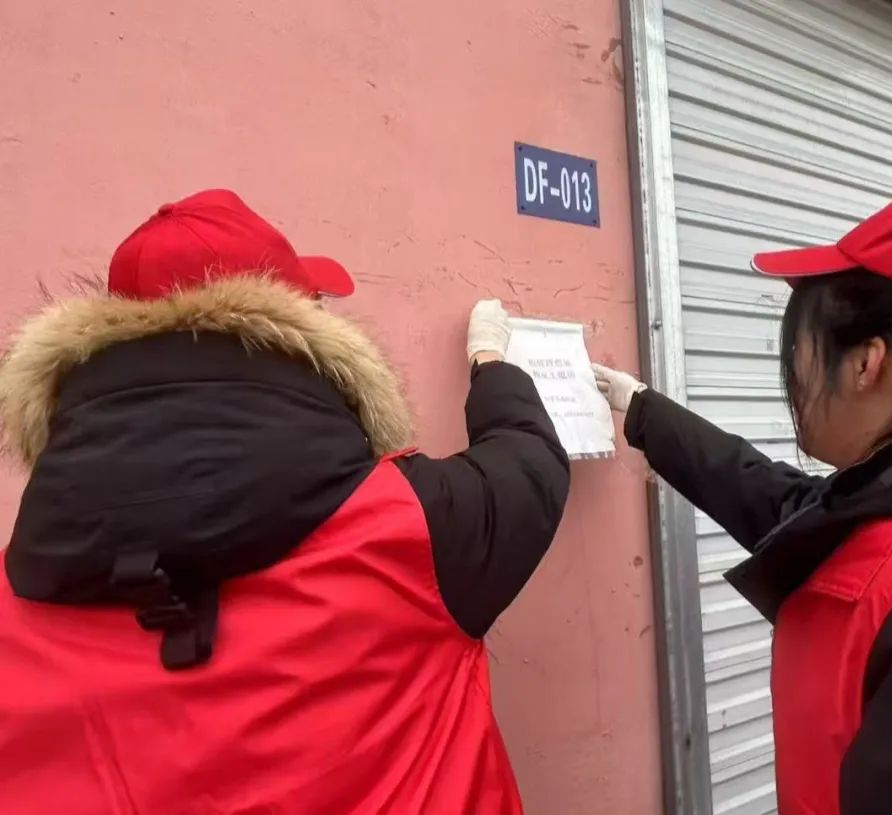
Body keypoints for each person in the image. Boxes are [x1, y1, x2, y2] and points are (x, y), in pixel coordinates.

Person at [0, 189, 570, 814]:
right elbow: (529, 464)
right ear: (300, 332)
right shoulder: (411, 532)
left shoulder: (12, 593)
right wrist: (491, 362)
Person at [594, 178, 892, 814]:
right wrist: (642, 409)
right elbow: (786, 506)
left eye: (801, 346)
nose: (795, 369)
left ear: (866, 363)